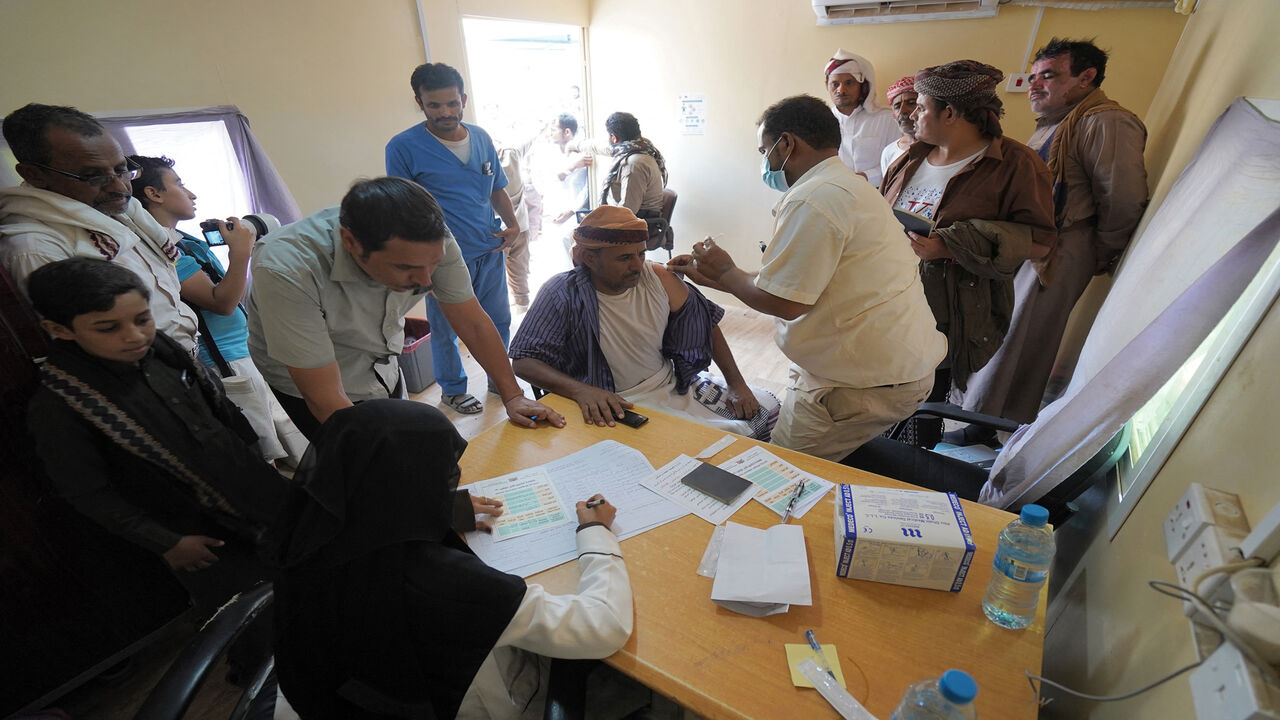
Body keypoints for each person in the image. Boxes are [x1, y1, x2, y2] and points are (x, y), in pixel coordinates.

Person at [269, 400, 632, 720]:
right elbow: (604, 627)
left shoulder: (305, 527)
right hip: (454, 702)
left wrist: (439, 509)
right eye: (444, 478)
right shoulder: (445, 583)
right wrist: (596, 533)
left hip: (338, 695)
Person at [668, 95, 945, 462]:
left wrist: (726, 271)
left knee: (779, 471)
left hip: (860, 383)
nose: (765, 162)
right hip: (895, 364)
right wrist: (712, 277)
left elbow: (786, 301)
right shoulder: (849, 186)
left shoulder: (812, 199)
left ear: (787, 143)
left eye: (765, 150)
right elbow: (792, 284)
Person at [24, 257, 289, 621]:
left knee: (311, 574)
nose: (134, 336)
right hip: (196, 534)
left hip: (255, 489)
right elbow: (87, 492)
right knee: (254, 619)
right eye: (107, 328)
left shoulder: (162, 349)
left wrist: (257, 465)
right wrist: (168, 544)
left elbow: (223, 411)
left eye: (142, 319)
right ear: (60, 329)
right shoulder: (62, 404)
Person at [247, 177, 563, 440]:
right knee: (352, 466)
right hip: (310, 384)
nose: (425, 281)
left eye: (433, 265)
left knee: (399, 438)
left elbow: (473, 323)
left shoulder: (430, 241)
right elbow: (325, 398)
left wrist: (512, 395)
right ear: (351, 242)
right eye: (405, 269)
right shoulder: (286, 269)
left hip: (380, 362)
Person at [959, 38, 1149, 428]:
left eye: (1049, 76)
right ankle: (974, 415)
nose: (1035, 85)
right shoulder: (1055, 125)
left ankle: (990, 426)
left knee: (1021, 339)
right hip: (1029, 246)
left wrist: (1102, 251)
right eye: (1032, 77)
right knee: (1002, 332)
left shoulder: (1106, 121)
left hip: (1062, 249)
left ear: (1086, 77)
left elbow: (1123, 197)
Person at [880, 59, 1056, 448]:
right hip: (886, 304)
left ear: (949, 113)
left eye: (920, 106)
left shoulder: (1016, 167)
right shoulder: (911, 157)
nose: (911, 113)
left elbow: (1042, 241)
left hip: (947, 310)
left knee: (922, 403)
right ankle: (876, 458)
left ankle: (908, 472)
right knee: (877, 400)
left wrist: (952, 245)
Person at [510, 206, 779, 438]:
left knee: (767, 409)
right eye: (625, 258)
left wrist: (736, 384)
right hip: (617, 400)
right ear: (590, 259)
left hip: (671, 383)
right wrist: (581, 391)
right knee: (694, 448)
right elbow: (523, 362)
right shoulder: (561, 292)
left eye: (641, 254)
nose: (637, 266)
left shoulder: (657, 276)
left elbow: (707, 322)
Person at [129, 154, 307, 465]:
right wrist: (242, 253)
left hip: (243, 347)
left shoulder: (183, 239)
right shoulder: (162, 250)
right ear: (154, 194)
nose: (192, 194)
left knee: (289, 434)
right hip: (225, 359)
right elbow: (221, 302)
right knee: (264, 444)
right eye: (180, 185)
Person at [0, 103, 197, 351]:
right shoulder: (37, 247)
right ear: (34, 175)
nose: (120, 187)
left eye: (121, 169)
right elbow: (86, 347)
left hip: (181, 360)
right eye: (93, 176)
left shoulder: (122, 212)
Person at [386, 62, 523, 415]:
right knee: (446, 329)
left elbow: (496, 187)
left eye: (451, 103)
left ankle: (499, 376)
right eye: (434, 105)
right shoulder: (403, 147)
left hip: (488, 245)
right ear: (420, 102)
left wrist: (512, 223)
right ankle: (453, 389)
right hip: (442, 258)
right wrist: (420, 266)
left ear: (463, 98)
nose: (445, 112)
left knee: (498, 319)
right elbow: (403, 209)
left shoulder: (480, 137)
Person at [825, 49, 900, 188]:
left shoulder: (886, 118)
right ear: (826, 85)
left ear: (862, 86)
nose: (841, 90)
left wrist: (865, 177)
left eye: (849, 83)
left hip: (878, 194)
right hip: (833, 194)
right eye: (835, 84)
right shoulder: (820, 121)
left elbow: (897, 162)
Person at [571, 111, 667, 218]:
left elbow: (627, 211)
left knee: (577, 231)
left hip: (639, 223)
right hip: (634, 216)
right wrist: (575, 146)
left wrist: (597, 219)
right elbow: (599, 146)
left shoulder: (633, 163)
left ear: (614, 138)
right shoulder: (641, 147)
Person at [880, 75, 919, 179]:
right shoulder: (889, 152)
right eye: (897, 106)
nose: (902, 111)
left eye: (911, 103)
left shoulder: (939, 147)